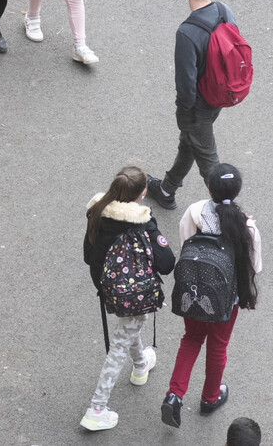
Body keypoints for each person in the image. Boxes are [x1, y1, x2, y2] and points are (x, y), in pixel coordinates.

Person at [162, 163, 262, 427]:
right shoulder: (247, 225)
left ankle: (174, 394)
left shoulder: (194, 211)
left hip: (193, 291)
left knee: (192, 338)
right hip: (227, 300)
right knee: (218, 346)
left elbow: (185, 245)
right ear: (238, 190)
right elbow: (255, 266)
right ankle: (209, 397)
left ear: (209, 187)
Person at [80, 166, 175, 431]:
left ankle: (141, 365)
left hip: (107, 288)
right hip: (135, 293)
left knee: (129, 327)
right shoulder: (144, 222)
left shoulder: (97, 212)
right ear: (143, 193)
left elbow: (89, 256)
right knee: (119, 344)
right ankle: (97, 408)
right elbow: (167, 263)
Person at [146, 0, 237, 210]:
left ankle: (227, 217)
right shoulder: (223, 10)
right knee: (190, 142)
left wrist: (184, 111)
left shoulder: (187, 32)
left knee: (209, 163)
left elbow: (185, 85)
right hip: (219, 95)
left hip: (197, 106)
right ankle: (167, 189)